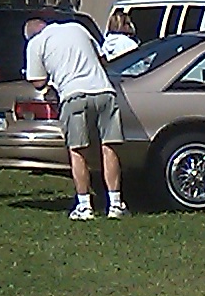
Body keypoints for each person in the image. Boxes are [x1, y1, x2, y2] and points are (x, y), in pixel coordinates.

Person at [24, 15, 128, 220]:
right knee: (109, 147)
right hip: (104, 91)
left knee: (78, 150)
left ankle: (84, 205)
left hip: (74, 96)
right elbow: (102, 59)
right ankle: (115, 204)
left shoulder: (36, 43)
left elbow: (37, 81)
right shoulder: (77, 28)